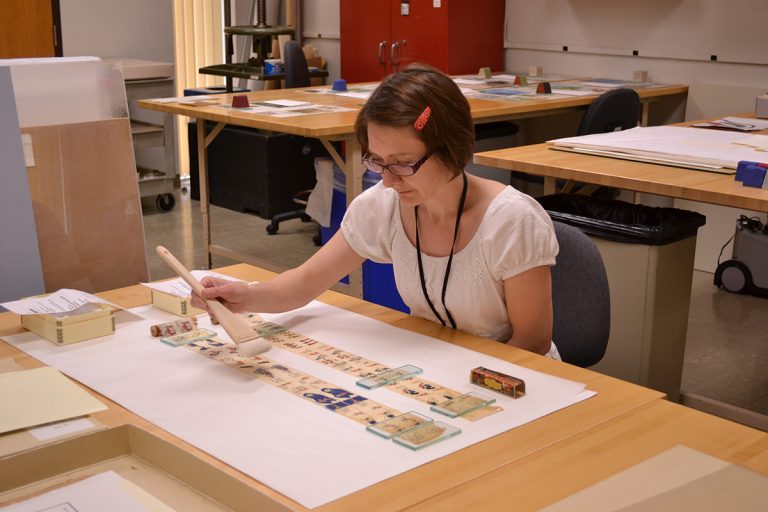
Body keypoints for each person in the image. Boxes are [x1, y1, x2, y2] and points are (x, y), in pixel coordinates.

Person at [192, 63, 561, 359]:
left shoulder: (512, 221)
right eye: (377, 161)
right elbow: (306, 282)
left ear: (452, 149)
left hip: (515, 379)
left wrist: (471, 390)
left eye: (402, 163)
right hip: (441, 362)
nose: (387, 180)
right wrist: (245, 296)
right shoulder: (384, 207)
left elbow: (532, 343)